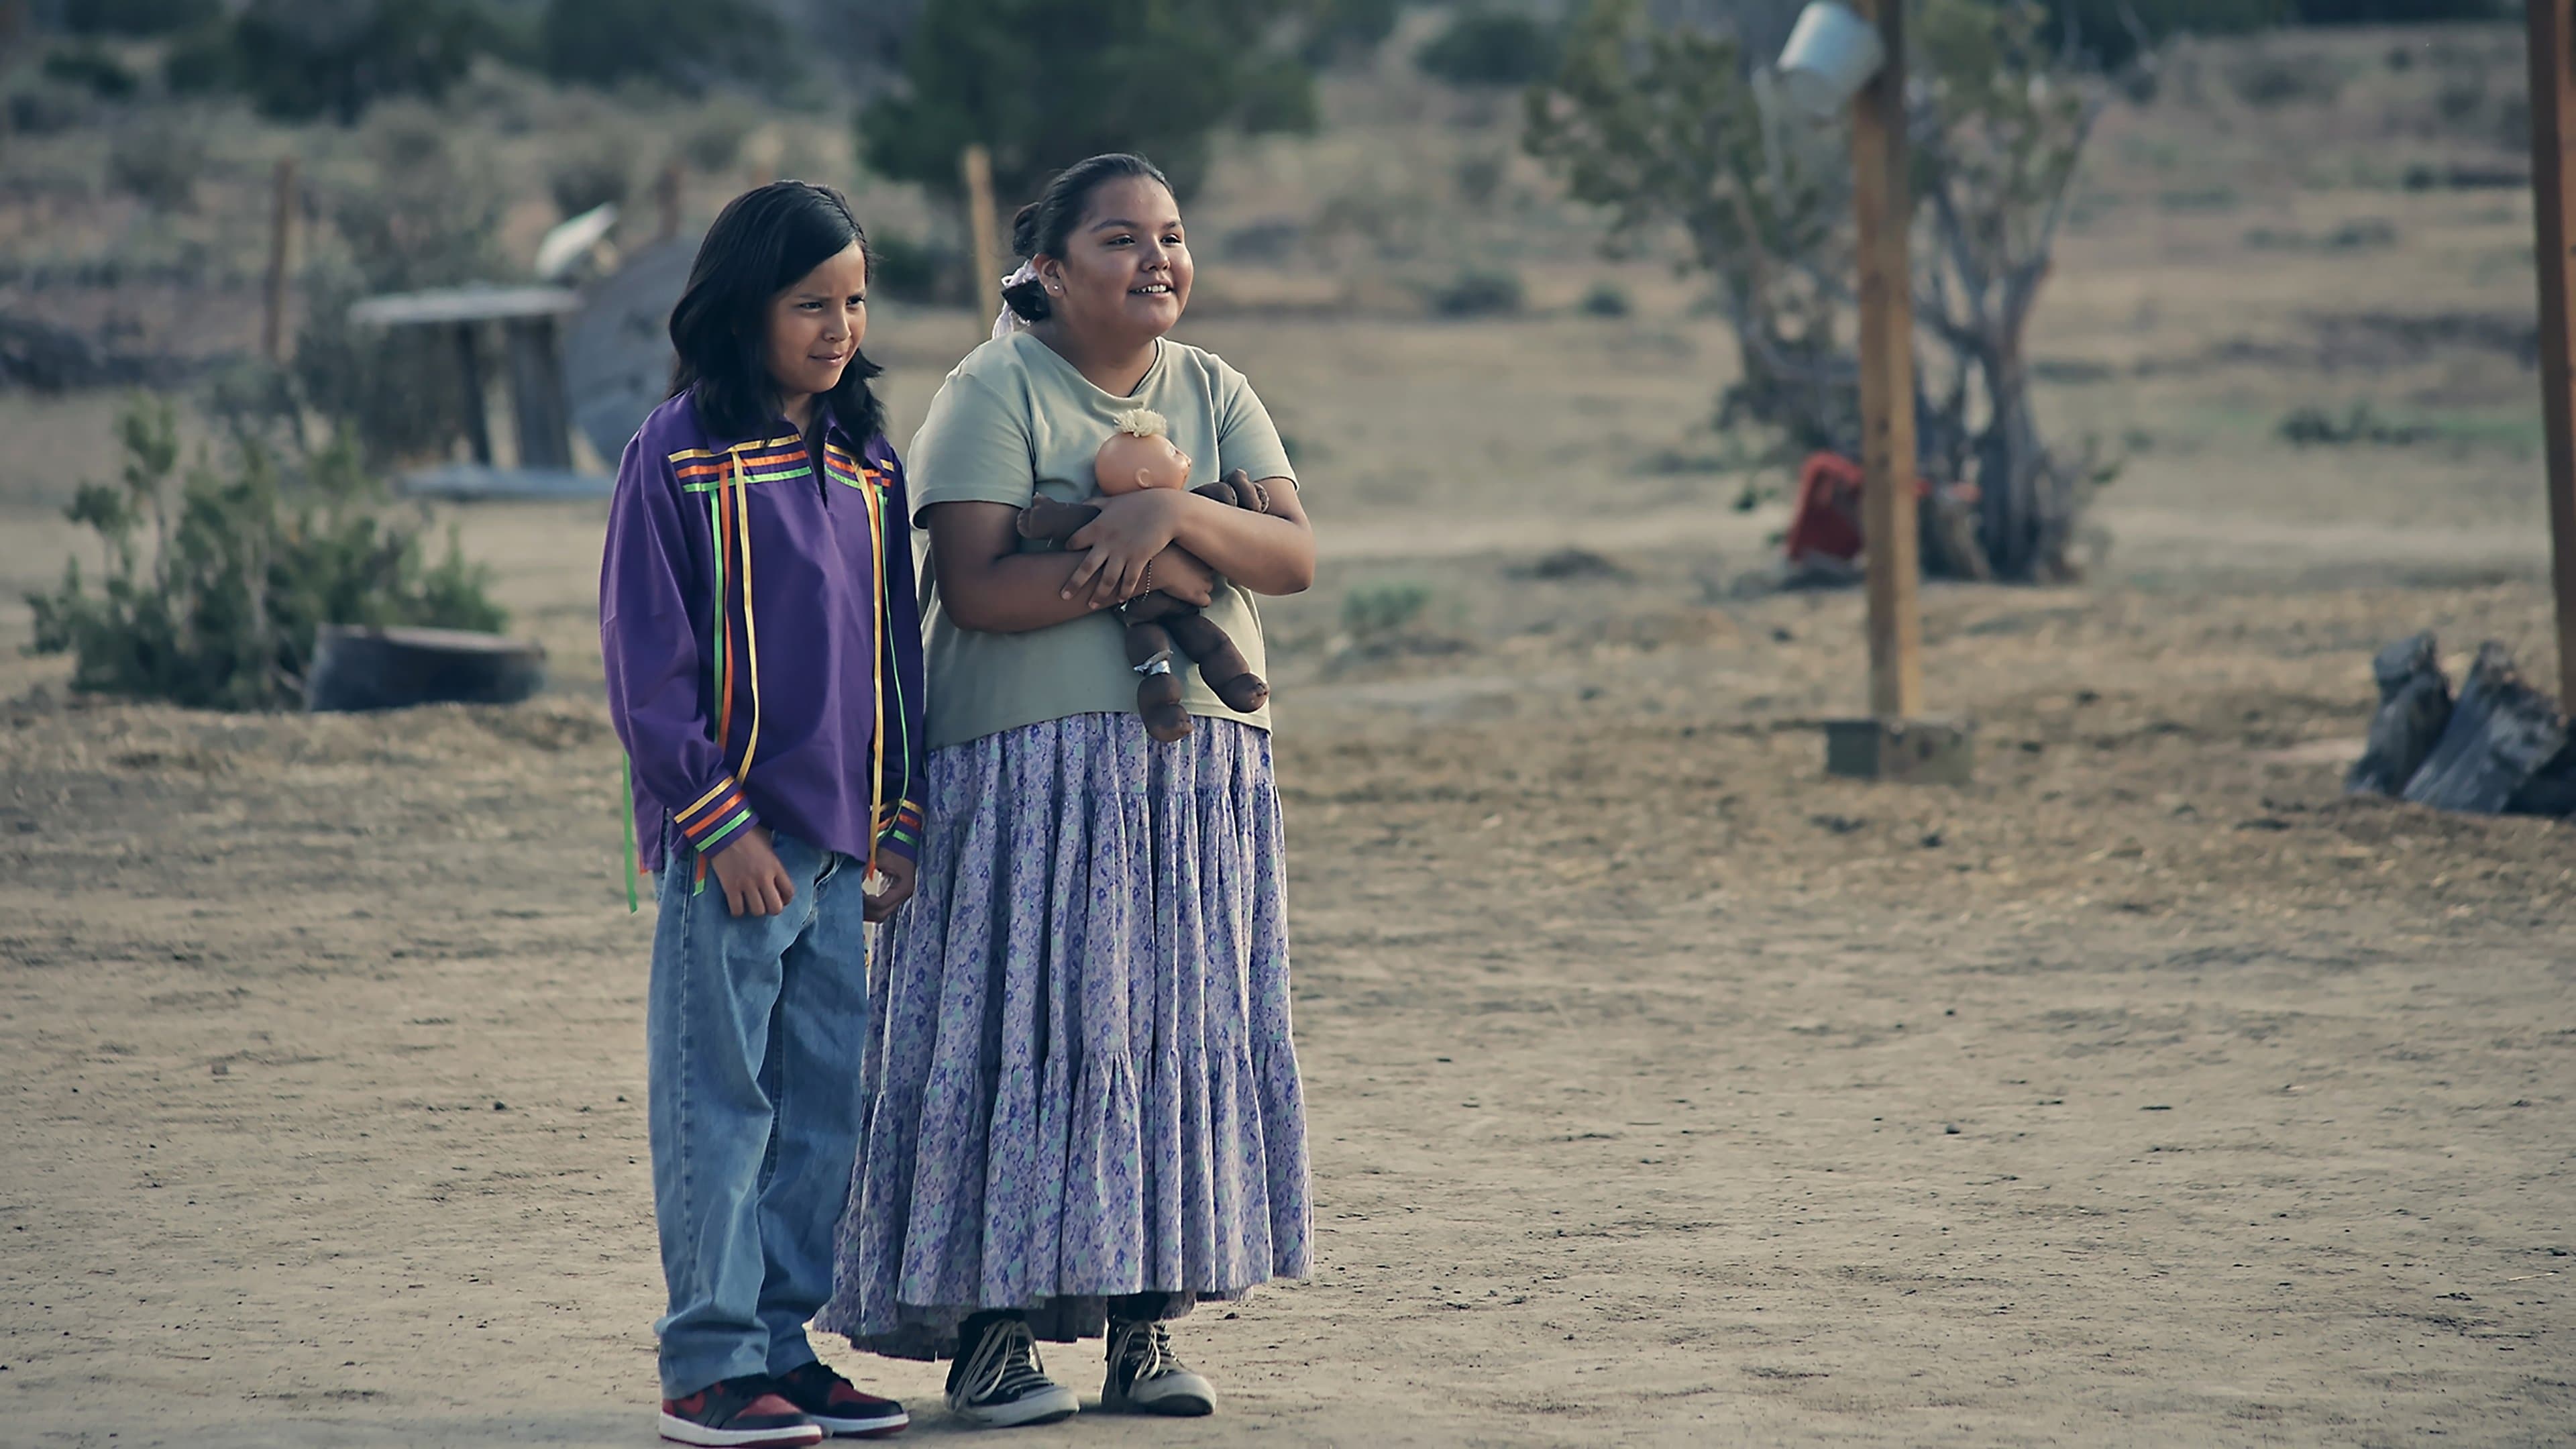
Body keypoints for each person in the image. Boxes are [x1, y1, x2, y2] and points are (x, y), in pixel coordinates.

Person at [818, 153, 1315, 1428]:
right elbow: (979, 587)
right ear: (1047, 269)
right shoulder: (993, 388)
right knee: (1019, 1032)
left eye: (1172, 235)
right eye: (1120, 240)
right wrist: (1170, 547)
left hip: (1194, 775)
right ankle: (991, 1338)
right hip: (1028, 776)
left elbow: (1295, 555)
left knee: (1159, 1036)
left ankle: (1146, 1330)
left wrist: (1172, 526)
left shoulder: (1217, 388)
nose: (1158, 260)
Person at [602, 180, 924, 1448]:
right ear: (744, 309)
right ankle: (709, 1366)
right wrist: (719, 826)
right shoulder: (673, 453)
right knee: (720, 1107)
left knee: (821, 1112)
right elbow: (647, 665)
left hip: (842, 854)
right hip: (731, 854)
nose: (839, 327)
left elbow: (895, 653)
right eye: (811, 304)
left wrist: (898, 819)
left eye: (854, 302)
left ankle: (785, 1349)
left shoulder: (866, 464)